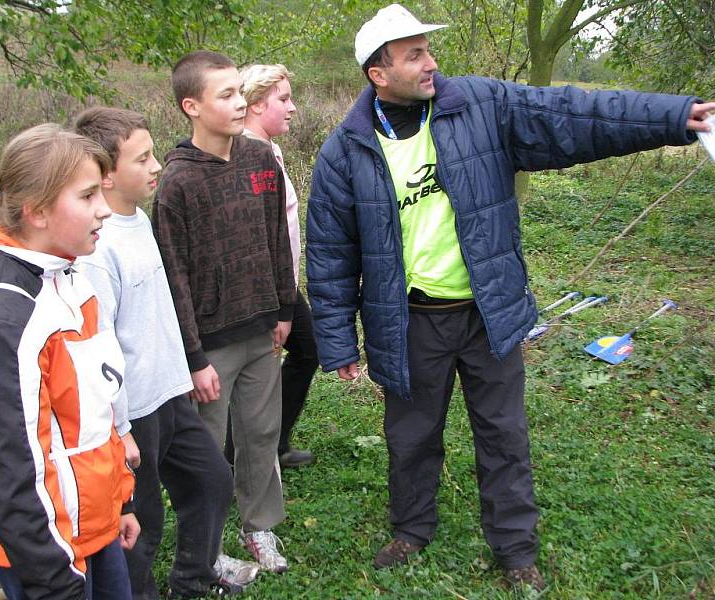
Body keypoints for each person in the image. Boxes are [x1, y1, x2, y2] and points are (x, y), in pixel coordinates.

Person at [305, 3, 715, 590]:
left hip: (487, 311)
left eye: (428, 50)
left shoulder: (480, 104)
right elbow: (329, 253)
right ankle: (412, 527)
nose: (431, 63)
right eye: (415, 55)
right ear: (378, 72)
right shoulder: (346, 150)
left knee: (503, 433)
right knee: (411, 436)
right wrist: (339, 342)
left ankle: (515, 546)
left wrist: (675, 116)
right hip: (411, 322)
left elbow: (574, 114)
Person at [0, 123, 140, 599]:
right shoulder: (1, 322)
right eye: (88, 195)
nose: (105, 210)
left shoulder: (68, 277)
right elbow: (10, 475)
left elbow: (91, 414)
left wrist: (119, 502)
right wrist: (53, 584)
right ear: (37, 211)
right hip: (46, 555)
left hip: (91, 526)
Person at [72, 107, 259, 599]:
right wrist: (119, 428)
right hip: (134, 412)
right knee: (143, 524)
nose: (157, 166)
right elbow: (96, 346)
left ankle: (192, 580)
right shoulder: (98, 246)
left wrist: (189, 368)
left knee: (212, 481)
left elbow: (159, 313)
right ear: (106, 173)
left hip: (170, 394)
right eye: (143, 158)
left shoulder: (137, 221)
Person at [152, 50, 297, 574]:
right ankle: (205, 549)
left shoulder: (262, 161)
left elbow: (276, 239)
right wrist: (193, 358)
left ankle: (259, 528)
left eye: (241, 91)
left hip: (263, 329)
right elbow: (175, 277)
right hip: (210, 347)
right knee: (207, 453)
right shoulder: (177, 183)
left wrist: (284, 307)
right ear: (191, 106)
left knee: (261, 435)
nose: (241, 104)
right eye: (227, 95)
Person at [225, 63, 319, 469]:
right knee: (264, 368)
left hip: (283, 283)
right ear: (257, 105)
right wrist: (275, 304)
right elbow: (254, 236)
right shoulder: (245, 156)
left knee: (305, 352)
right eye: (283, 99)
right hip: (266, 290)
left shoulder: (270, 150)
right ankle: (239, 454)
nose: (292, 107)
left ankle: (270, 444)